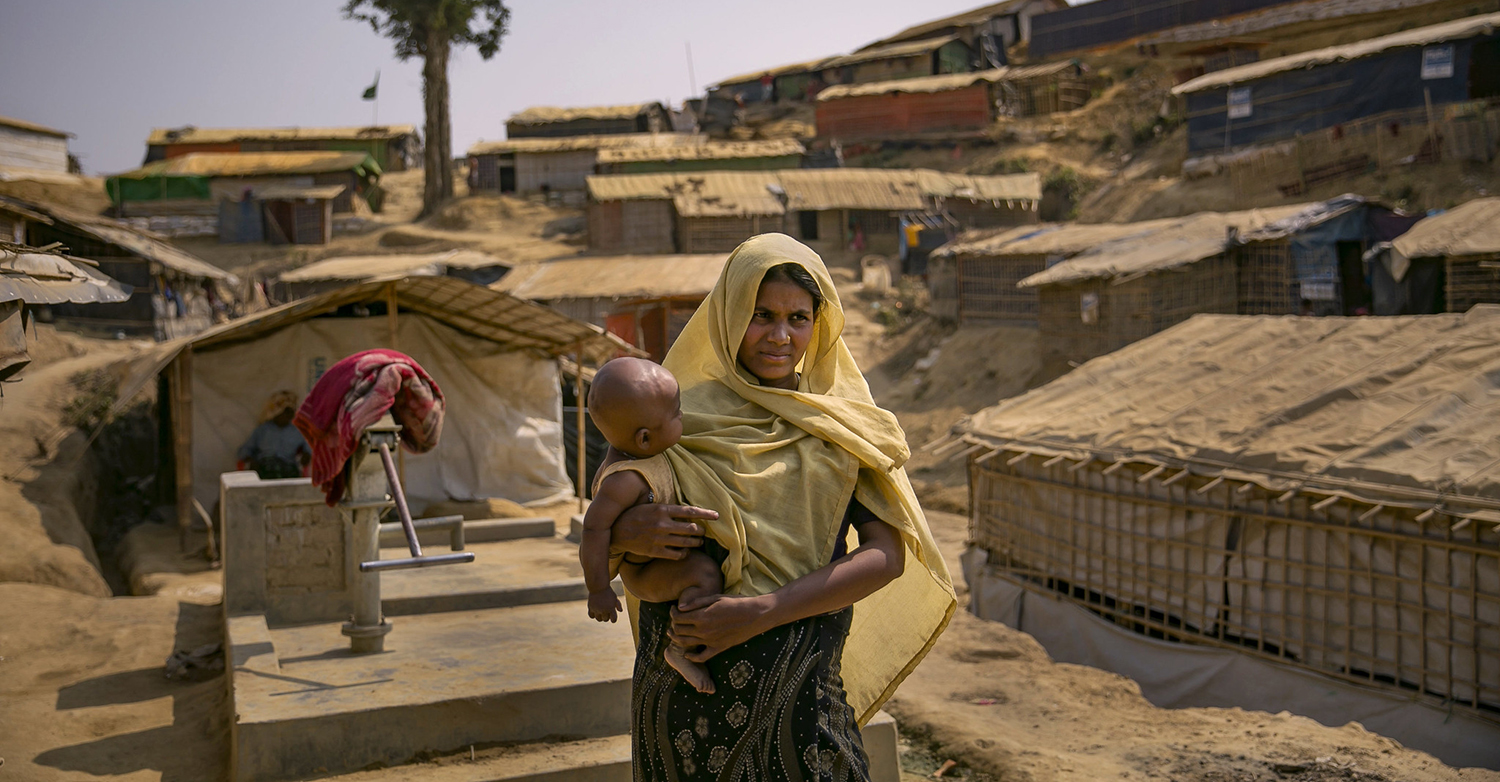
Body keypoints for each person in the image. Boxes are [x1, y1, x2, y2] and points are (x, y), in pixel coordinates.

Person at [605, 233, 956, 782]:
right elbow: (609, 513)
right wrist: (628, 531)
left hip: (800, 696)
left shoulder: (842, 428)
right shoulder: (671, 415)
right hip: (679, 701)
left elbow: (887, 555)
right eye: (760, 313)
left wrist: (764, 610)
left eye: (798, 318)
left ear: (820, 324)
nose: (779, 336)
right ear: (727, 314)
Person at [578, 357, 721, 694]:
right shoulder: (624, 481)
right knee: (704, 576)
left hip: (662, 558)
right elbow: (594, 531)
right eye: (676, 414)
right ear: (644, 439)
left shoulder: (641, 452)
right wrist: (598, 588)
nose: (682, 416)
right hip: (646, 571)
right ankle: (681, 649)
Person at [237, 390, 310, 480]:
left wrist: (306, 455)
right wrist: (250, 460)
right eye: (286, 412)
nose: (289, 415)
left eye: (291, 412)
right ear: (277, 412)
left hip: (287, 468)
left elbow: (309, 449)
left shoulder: (297, 431)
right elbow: (244, 450)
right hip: (265, 467)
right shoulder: (263, 430)